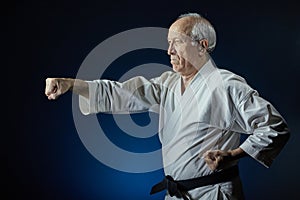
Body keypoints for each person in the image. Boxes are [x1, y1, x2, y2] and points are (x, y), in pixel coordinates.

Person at [45, 13, 290, 200]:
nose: (169, 50)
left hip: (213, 193)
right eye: (168, 43)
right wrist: (70, 84)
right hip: (177, 193)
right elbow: (122, 93)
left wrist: (234, 155)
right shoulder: (169, 84)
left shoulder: (226, 85)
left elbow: (275, 127)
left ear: (202, 46)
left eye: (177, 43)